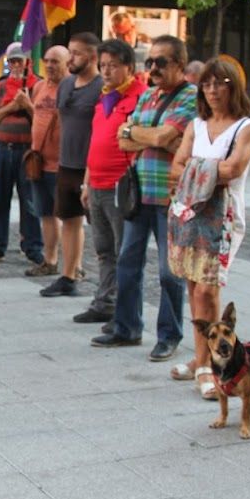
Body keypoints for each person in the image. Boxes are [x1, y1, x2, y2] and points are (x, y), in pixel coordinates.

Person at [92, 35, 196, 360]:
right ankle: (127, 328)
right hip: (139, 194)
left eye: (160, 62)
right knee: (127, 263)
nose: (152, 68)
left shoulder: (191, 97)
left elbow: (165, 136)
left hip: (171, 196)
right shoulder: (148, 95)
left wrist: (146, 135)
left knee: (169, 271)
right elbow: (124, 138)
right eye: (149, 62)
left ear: (179, 64)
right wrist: (156, 138)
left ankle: (169, 335)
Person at [165, 58, 250, 399]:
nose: (213, 90)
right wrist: (206, 171)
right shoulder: (196, 124)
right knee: (192, 288)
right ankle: (201, 358)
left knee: (208, 289)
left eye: (220, 83)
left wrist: (194, 168)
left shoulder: (245, 127)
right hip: (190, 213)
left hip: (223, 217)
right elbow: (174, 167)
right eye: (207, 84)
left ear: (233, 86)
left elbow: (234, 169)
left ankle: (209, 367)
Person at [76, 39, 147, 327]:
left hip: (121, 185)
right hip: (97, 184)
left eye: (113, 66)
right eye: (103, 65)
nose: (106, 72)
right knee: (103, 248)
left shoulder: (139, 97)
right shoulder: (104, 97)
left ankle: (123, 310)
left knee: (124, 251)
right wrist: (87, 182)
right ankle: (104, 301)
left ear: (128, 67)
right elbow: (96, 142)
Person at [40, 32, 101, 297]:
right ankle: (67, 275)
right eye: (71, 52)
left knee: (99, 224)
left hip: (92, 165)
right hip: (66, 162)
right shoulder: (66, 85)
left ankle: (104, 282)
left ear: (92, 56)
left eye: (76, 53)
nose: (71, 58)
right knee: (68, 218)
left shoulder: (101, 87)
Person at [0, 42, 42, 265]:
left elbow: (43, 122)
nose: (15, 65)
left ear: (28, 63)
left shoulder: (39, 86)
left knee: (30, 202)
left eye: (19, 61)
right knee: (1, 200)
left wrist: (28, 106)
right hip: (3, 150)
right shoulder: (2, 86)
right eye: (12, 61)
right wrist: (10, 107)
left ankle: (33, 246)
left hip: (27, 152)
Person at [26, 46, 70, 276]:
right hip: (39, 162)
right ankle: (50, 259)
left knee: (69, 217)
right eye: (47, 61)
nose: (50, 65)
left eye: (56, 61)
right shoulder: (39, 86)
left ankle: (74, 266)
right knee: (45, 214)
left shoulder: (72, 88)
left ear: (67, 63)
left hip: (63, 163)